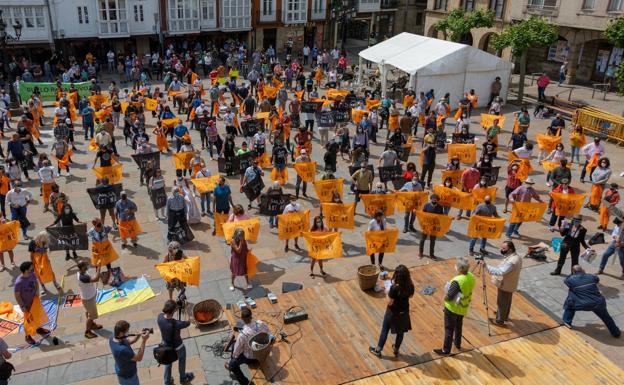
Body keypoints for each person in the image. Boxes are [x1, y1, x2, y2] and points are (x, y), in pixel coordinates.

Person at [369, 264, 415, 357]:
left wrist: (387, 292)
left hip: (392, 313)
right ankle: (396, 348)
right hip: (404, 312)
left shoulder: (394, 288)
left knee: (385, 330)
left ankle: (378, 350)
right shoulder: (410, 285)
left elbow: (389, 302)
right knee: (400, 332)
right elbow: (410, 296)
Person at [562, 265, 620, 337]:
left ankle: (567, 322)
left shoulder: (570, 279)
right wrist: (585, 274)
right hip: (598, 303)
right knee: (606, 317)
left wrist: (572, 274)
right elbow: (597, 279)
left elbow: (566, 281)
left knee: (569, 304)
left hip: (581, 304)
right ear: (582, 270)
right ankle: (615, 332)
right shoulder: (591, 277)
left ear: (573, 272)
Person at [434, 257, 475, 355]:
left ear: (460, 268)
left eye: (456, 265)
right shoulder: (471, 276)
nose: (455, 266)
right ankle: (457, 344)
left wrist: (445, 297)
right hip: (463, 306)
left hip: (452, 308)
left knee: (449, 329)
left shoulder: (458, 281)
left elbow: (449, 297)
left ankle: (446, 350)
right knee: (458, 326)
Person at [479, 241, 522, 325]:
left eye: (503, 248)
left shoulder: (511, 261)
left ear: (510, 249)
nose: (501, 250)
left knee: (502, 301)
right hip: (511, 283)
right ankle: (503, 315)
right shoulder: (516, 257)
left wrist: (486, 266)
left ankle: (499, 320)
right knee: (507, 301)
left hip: (506, 284)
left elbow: (500, 271)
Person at [225, 308, 271, 385]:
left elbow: (236, 352)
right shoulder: (261, 323)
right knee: (235, 345)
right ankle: (232, 364)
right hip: (262, 353)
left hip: (251, 357)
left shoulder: (242, 335)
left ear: (242, 319)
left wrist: (234, 357)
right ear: (251, 316)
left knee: (233, 364)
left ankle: (245, 383)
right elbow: (268, 334)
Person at [158, 300, 195, 385]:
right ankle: (182, 378)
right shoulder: (176, 323)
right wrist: (185, 309)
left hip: (166, 346)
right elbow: (188, 322)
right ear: (174, 311)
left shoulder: (159, 317)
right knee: (182, 361)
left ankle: (167, 382)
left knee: (168, 363)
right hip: (178, 347)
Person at [15, 262, 51, 344]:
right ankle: (27, 336)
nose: (33, 270)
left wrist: (37, 291)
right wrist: (22, 306)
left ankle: (38, 329)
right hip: (26, 304)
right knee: (28, 320)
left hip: (34, 301)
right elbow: (17, 295)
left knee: (36, 315)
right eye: (31, 269)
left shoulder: (32, 274)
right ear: (25, 270)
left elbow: (36, 282)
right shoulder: (18, 282)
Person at [109, 320, 150, 385]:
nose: (128, 332)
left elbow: (129, 342)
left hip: (123, 371)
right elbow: (139, 358)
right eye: (127, 331)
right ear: (121, 333)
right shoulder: (122, 350)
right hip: (128, 377)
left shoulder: (113, 337)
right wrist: (144, 341)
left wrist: (139, 335)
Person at [77, 261, 103, 339]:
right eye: (86, 265)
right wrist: (99, 267)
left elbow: (92, 278)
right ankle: (87, 332)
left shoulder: (83, 272)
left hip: (89, 296)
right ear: (82, 268)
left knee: (89, 311)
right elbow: (96, 279)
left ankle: (92, 325)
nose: (88, 266)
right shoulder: (82, 277)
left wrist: (96, 268)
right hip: (88, 299)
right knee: (91, 315)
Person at [420, 194, 443, 259]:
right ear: (431, 199)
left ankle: (431, 254)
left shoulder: (440, 207)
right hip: (426, 225)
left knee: (432, 241)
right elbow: (422, 214)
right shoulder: (426, 205)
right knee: (422, 240)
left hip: (434, 226)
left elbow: (442, 217)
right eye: (433, 199)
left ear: (437, 200)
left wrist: (449, 218)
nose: (434, 201)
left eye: (435, 200)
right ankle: (420, 253)